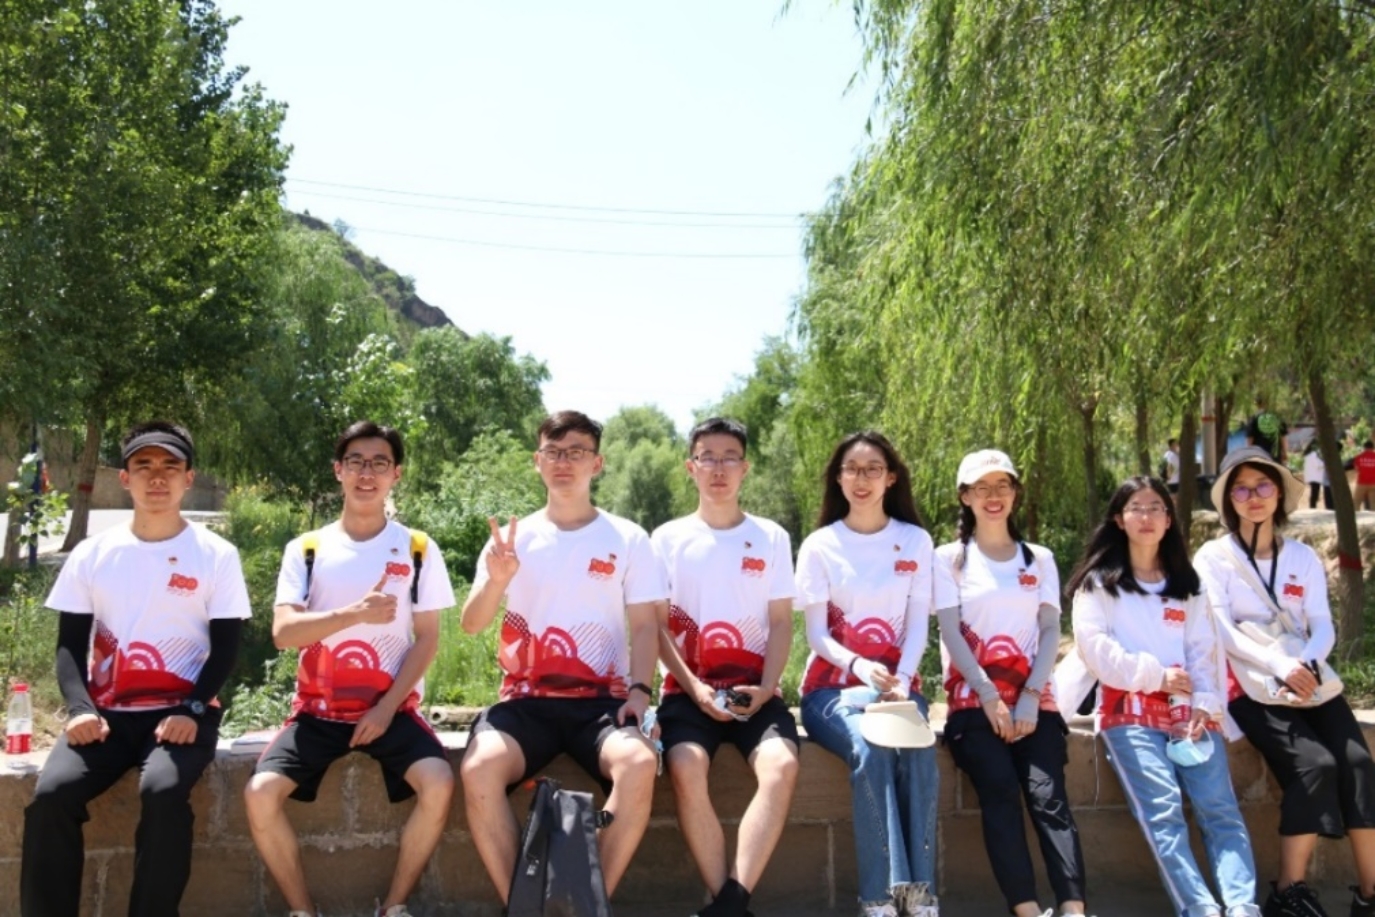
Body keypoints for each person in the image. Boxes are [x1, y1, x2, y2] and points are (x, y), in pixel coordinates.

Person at [22, 421, 251, 917]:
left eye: (170, 466)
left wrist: (193, 708)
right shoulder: (93, 553)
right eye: (143, 466)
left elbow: (226, 648)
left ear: (189, 478)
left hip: (182, 714)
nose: (157, 477)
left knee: (163, 793)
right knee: (51, 797)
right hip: (105, 716)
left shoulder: (216, 554)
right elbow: (69, 646)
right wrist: (80, 709)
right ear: (125, 478)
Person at [244, 421, 456, 917]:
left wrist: (385, 709)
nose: (367, 473)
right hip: (317, 714)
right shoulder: (307, 549)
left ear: (395, 475)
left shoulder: (418, 548)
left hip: (392, 711)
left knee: (440, 783)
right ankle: (303, 911)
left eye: (379, 463)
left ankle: (394, 907)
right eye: (356, 462)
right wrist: (354, 614)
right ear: (338, 470)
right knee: (259, 794)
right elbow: (284, 633)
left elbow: (427, 639)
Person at [459, 410, 664, 906]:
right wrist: (497, 582)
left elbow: (644, 626)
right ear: (537, 461)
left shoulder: (627, 537)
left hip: (602, 704)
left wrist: (640, 693)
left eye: (576, 452)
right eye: (553, 452)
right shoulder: (514, 539)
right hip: (525, 702)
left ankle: (590, 906)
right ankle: (523, 908)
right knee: (479, 767)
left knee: (639, 763)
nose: (563, 462)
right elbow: (471, 623)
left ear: (598, 463)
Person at [1195, 446, 1375, 917]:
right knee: (1315, 765)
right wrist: (1279, 665)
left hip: (1305, 676)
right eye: (1240, 489)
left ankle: (1369, 893)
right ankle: (1288, 892)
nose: (1253, 497)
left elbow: (1323, 625)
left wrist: (1306, 666)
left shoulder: (1302, 556)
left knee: (1358, 762)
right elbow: (1222, 630)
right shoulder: (1213, 557)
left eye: (1263, 486)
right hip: (1247, 681)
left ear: (1279, 493)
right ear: (1228, 500)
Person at [1069, 476, 1260, 917]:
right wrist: (1155, 676)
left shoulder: (1188, 585)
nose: (1147, 516)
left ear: (1169, 519)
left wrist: (1205, 704)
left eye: (1156, 507)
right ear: (1119, 520)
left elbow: (1203, 651)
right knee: (1163, 812)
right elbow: (1096, 650)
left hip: (1190, 715)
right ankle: (1199, 908)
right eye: (1136, 507)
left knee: (1220, 809)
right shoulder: (1098, 585)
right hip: (1128, 714)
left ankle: (1242, 907)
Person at [651, 417, 799, 917]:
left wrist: (767, 688)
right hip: (687, 693)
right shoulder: (666, 539)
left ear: (745, 468)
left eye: (729, 457)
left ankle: (729, 904)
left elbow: (781, 623)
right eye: (707, 458)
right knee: (685, 765)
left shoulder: (771, 537)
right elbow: (656, 628)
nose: (719, 468)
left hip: (756, 693)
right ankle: (728, 902)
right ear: (690, 467)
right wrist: (694, 689)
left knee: (782, 766)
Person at [934, 449, 1089, 917]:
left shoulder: (1038, 559)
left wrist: (1030, 697)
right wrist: (988, 696)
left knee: (1048, 796)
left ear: (1015, 492)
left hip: (1034, 703)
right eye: (981, 488)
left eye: (1002, 485)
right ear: (965, 497)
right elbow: (950, 631)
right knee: (999, 790)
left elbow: (1050, 629)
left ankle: (1074, 909)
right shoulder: (949, 559)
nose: (993, 495)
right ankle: (1026, 911)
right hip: (972, 705)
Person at [797, 431, 940, 917]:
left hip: (898, 690)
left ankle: (920, 897)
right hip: (830, 691)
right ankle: (880, 899)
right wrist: (859, 666)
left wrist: (903, 679)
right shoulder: (820, 545)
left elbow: (918, 626)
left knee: (919, 751)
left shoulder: (915, 541)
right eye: (852, 469)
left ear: (890, 478)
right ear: (838, 479)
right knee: (872, 747)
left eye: (873, 469)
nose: (862, 479)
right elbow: (817, 635)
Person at [1348, 440, 1375, 512]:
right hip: (1373, 483)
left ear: (1364, 448)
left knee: (1356, 503)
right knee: (1373, 505)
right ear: (1373, 448)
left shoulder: (1358, 457)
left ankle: (1355, 517)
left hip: (1361, 483)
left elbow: (1356, 469)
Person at [1302, 442, 1326, 510]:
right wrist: (1325, 463)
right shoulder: (1313, 455)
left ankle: (1312, 506)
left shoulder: (1307, 456)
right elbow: (1318, 465)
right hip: (1315, 477)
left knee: (1314, 492)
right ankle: (1313, 506)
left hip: (1311, 477)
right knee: (1315, 493)